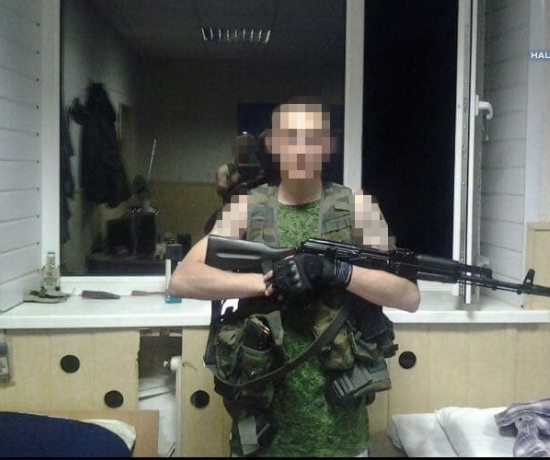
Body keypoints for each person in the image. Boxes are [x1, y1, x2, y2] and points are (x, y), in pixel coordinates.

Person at [169, 96, 421, 457]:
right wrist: (267, 282)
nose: (301, 149)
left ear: (329, 145)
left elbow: (408, 296)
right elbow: (184, 278)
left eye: (313, 138)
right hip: (263, 425)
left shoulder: (359, 208)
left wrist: (338, 271)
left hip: (341, 429)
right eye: (290, 137)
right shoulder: (247, 207)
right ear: (272, 144)